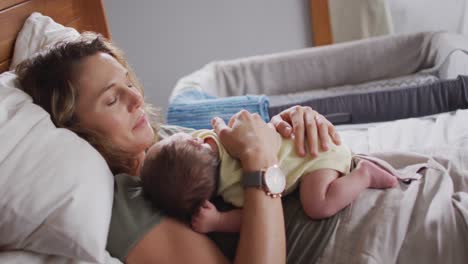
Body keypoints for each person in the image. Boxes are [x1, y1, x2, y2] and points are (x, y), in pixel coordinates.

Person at [15, 32, 342, 263]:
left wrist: (293, 123)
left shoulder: (165, 141)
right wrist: (261, 160)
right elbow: (256, 157)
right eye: (113, 99)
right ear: (76, 129)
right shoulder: (125, 204)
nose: (137, 98)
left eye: (128, 82)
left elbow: (250, 151)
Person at [140, 126, 397, 233]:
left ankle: (364, 174)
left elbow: (253, 218)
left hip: (315, 157)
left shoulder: (234, 187)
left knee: (318, 205)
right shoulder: (218, 137)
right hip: (309, 143)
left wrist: (219, 221)